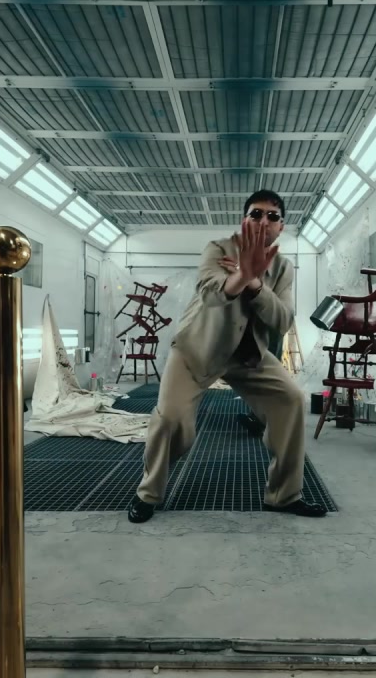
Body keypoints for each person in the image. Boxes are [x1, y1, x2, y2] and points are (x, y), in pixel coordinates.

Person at [127, 189, 327, 523]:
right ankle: (148, 493)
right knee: (172, 421)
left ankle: (284, 495)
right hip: (197, 349)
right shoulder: (218, 249)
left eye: (273, 216)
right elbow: (211, 294)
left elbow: (283, 319)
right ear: (244, 220)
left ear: (281, 227)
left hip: (248, 356)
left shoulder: (282, 268)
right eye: (256, 214)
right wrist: (242, 275)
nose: (264, 221)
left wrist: (255, 284)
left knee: (291, 400)